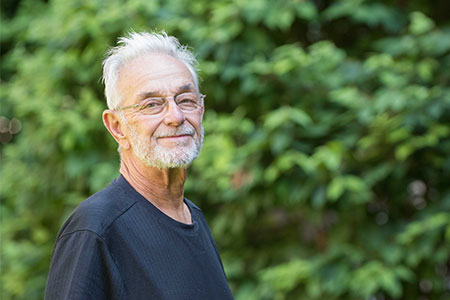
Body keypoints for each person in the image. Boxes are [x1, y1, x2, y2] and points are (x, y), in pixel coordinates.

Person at [45, 31, 234, 300]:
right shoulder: (96, 228)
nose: (175, 116)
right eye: (152, 104)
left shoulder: (194, 219)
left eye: (186, 100)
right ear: (117, 127)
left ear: (201, 110)